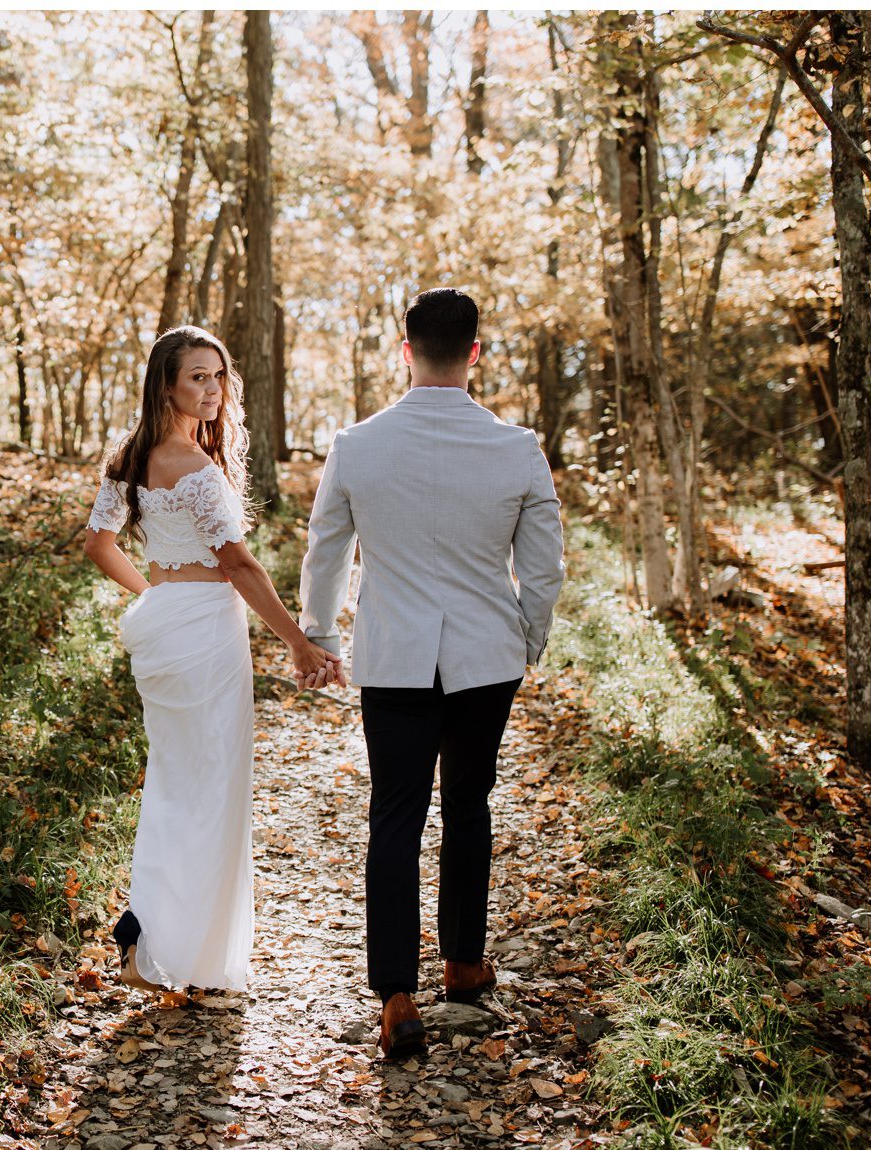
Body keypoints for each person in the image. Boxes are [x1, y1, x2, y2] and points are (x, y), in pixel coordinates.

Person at [297, 288, 565, 1059]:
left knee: (395, 816)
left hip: (395, 659)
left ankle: (397, 995)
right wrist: (527, 639)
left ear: (403, 348)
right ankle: (462, 961)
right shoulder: (518, 448)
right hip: (486, 659)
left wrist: (317, 634)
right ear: (475, 353)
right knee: (469, 806)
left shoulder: (358, 444)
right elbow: (542, 569)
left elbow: (326, 546)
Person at [83, 324, 341, 992]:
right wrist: (298, 640)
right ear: (165, 383)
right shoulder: (197, 472)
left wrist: (158, 594)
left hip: (166, 624)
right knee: (211, 787)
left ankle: (151, 936)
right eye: (196, 376)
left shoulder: (130, 457)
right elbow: (238, 564)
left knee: (175, 780)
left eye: (218, 375)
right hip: (199, 633)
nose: (211, 389)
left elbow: (100, 543)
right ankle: (169, 947)